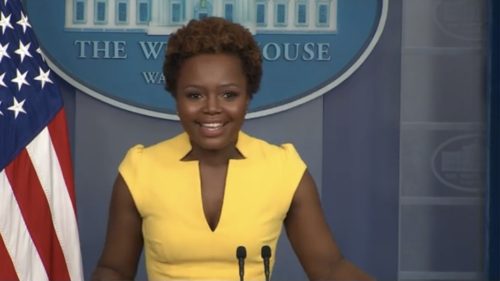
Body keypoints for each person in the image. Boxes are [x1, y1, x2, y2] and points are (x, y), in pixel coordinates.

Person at [92, 17, 373, 281]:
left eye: (229, 94)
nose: (212, 108)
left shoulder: (283, 169)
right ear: (175, 97)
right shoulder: (141, 169)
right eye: (195, 95)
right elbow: (114, 270)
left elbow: (329, 268)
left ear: (248, 96)